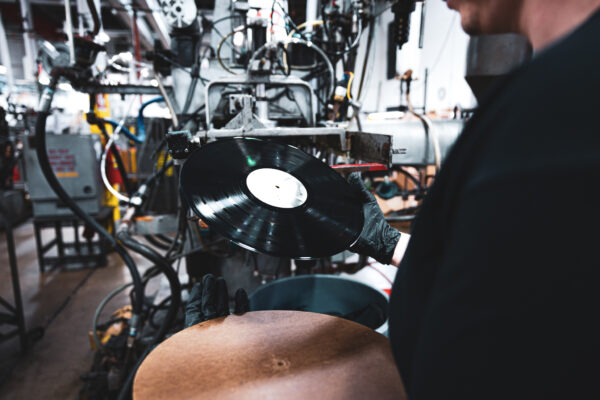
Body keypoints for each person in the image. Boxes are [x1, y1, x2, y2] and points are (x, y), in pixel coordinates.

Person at [187, 0, 600, 398]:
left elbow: (499, 357)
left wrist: (218, 376)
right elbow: (510, 280)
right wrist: (392, 244)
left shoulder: (557, 112)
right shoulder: (550, 96)